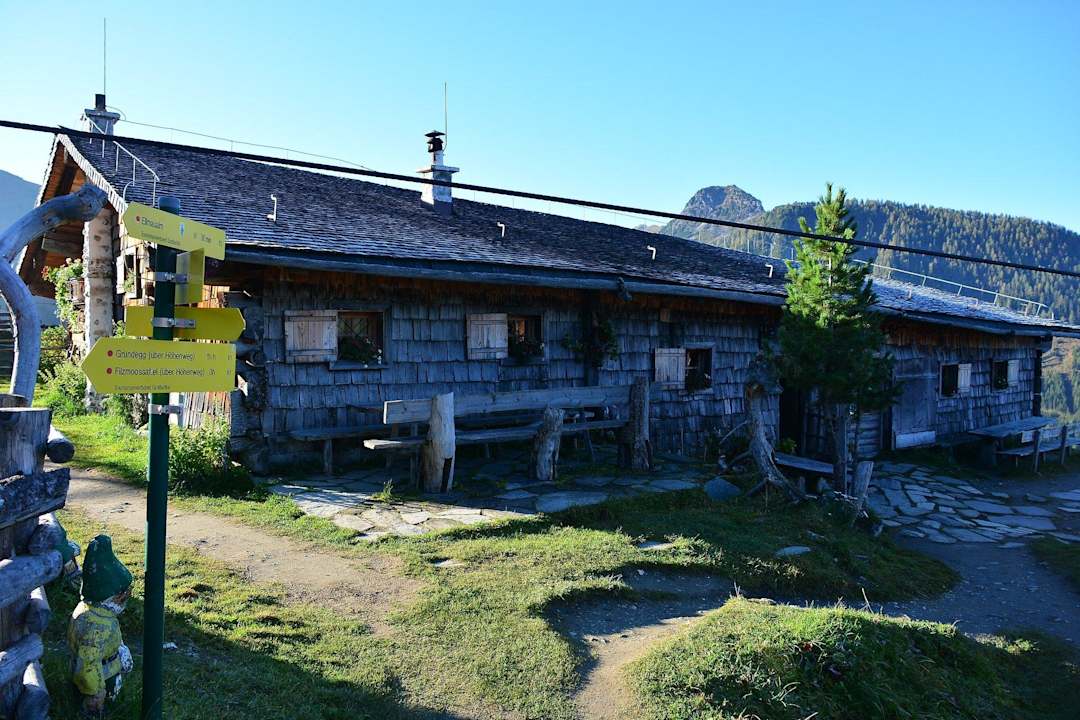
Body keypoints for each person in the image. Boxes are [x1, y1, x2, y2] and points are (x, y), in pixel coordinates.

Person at [67, 535, 134, 719]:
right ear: (108, 597)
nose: (124, 601)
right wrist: (95, 691)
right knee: (96, 709)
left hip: (106, 667)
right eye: (122, 596)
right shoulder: (96, 627)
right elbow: (88, 663)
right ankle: (92, 711)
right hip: (100, 678)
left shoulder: (96, 613)